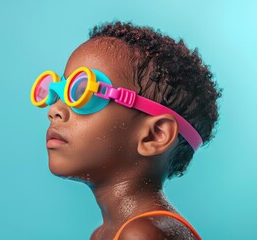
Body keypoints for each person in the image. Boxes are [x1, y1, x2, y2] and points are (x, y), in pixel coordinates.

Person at [30, 21, 221, 240]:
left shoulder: (143, 234)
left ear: (154, 135)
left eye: (82, 92)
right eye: (56, 93)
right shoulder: (104, 234)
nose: (54, 110)